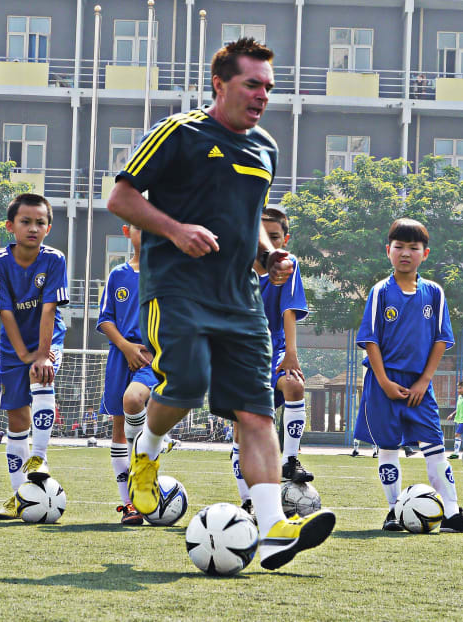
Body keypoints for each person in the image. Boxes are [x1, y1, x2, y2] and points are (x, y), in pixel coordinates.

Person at [107, 37, 335, 570]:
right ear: (220, 84)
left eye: (268, 88)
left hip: (242, 300)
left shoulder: (266, 149)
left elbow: (249, 217)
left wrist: (269, 254)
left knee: (256, 412)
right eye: (252, 85)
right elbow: (121, 197)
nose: (262, 97)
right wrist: (176, 230)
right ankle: (146, 448)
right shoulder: (180, 132)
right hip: (177, 289)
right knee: (184, 387)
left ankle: (274, 525)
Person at [353, 217, 463, 534]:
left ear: (424, 254)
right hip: (383, 384)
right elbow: (370, 339)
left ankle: (452, 513)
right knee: (387, 447)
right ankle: (394, 510)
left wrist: (425, 380)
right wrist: (385, 382)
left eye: (413, 248)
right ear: (388, 250)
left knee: (435, 446)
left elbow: (442, 338)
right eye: (399, 246)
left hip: (419, 385)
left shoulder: (434, 293)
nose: (405, 253)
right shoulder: (380, 292)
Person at [0, 193, 69, 520]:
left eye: (40, 222)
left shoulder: (54, 260)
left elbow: (49, 309)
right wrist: (22, 353)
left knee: (41, 374)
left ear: (48, 228)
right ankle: (18, 497)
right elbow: (5, 312)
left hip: (48, 338)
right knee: (17, 418)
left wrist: (42, 355)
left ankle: (39, 457)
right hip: (13, 345)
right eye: (25, 221)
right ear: (11, 226)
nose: (33, 228)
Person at [232, 207, 313, 516]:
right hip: (239, 354)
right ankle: (248, 501)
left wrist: (291, 353)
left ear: (285, 239)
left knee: (294, 384)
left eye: (275, 237)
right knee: (242, 428)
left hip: (275, 348)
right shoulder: (234, 267)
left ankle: (290, 460)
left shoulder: (287, 266)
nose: (267, 243)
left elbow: (289, 310)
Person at [97, 223, 159, 526]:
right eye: (139, 226)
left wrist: (151, 350)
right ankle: (129, 504)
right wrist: (125, 347)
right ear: (126, 231)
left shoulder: (167, 274)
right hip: (120, 358)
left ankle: (154, 443)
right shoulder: (117, 274)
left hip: (153, 360)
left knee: (133, 399)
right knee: (118, 430)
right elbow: (105, 319)